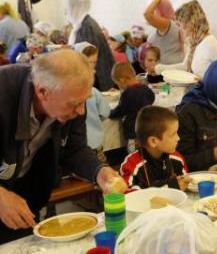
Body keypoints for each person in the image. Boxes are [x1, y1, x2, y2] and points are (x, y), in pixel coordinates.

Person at [0, 50, 127, 243]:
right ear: (42, 91)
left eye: (85, 101)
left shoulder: (72, 101)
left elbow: (75, 149)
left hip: (24, 196)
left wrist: (99, 171)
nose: (81, 111)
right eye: (74, 104)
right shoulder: (3, 92)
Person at [120, 106, 191, 191]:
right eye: (173, 134)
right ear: (153, 141)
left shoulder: (177, 158)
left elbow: (186, 186)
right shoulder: (131, 164)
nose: (178, 138)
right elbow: (130, 196)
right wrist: (170, 187)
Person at [153, 0, 217, 78]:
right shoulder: (195, 43)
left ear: (191, 23)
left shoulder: (210, 43)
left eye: (179, 24)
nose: (179, 28)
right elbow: (185, 67)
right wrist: (158, 68)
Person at [66, 0, 115, 91]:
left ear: (75, 9)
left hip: (99, 77)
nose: (66, 13)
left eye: (68, 10)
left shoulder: (87, 26)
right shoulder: (85, 23)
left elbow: (87, 53)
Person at [74, 42, 110, 163]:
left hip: (77, 143)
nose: (93, 66)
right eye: (90, 62)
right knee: (99, 168)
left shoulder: (69, 90)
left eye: (94, 62)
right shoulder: (93, 92)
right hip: (93, 141)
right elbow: (105, 113)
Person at [110, 62, 155, 153]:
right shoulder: (146, 89)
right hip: (147, 130)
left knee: (134, 156)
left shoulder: (128, 93)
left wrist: (110, 113)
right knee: (147, 155)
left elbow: (120, 110)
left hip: (133, 133)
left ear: (122, 80)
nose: (120, 87)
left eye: (118, 84)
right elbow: (152, 98)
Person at [144, 0, 184, 64]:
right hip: (167, 69)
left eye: (156, 8)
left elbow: (147, 14)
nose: (154, 11)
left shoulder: (167, 24)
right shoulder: (166, 26)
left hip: (172, 70)